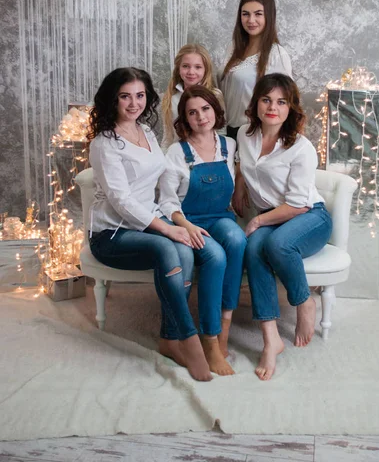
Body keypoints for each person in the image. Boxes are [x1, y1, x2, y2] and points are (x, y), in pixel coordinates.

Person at [87, 67, 212, 382]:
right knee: (165, 247)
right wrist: (167, 228)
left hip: (148, 222)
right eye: (125, 96)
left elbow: (158, 182)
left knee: (184, 252)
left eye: (140, 95)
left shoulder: (147, 131)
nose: (133, 103)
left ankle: (169, 339)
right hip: (112, 233)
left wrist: (177, 215)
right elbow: (122, 201)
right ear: (112, 99)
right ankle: (190, 340)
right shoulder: (104, 143)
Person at [234, 73, 332, 381]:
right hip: (273, 216)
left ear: (291, 108)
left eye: (281, 102)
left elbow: (299, 204)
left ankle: (304, 302)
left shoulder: (300, 148)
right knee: (253, 248)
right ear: (256, 104)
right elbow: (241, 164)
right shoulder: (244, 136)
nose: (272, 107)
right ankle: (270, 338)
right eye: (266, 100)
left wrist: (259, 219)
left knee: (276, 245)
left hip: (309, 217)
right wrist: (239, 187)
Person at [158, 86, 247, 376]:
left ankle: (224, 328)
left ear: (215, 110)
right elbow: (167, 201)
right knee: (216, 257)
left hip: (219, 216)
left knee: (236, 238)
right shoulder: (177, 152)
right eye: (192, 112)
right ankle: (210, 340)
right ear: (184, 118)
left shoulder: (229, 145)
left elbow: (237, 180)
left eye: (206, 109)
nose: (201, 116)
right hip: (187, 219)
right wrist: (185, 225)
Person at [220, 0, 292, 140]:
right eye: (245, 14)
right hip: (225, 131)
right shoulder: (232, 48)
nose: (251, 20)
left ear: (269, 16)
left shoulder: (277, 54)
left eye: (258, 14)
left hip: (254, 133)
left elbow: (285, 102)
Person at [161, 43, 225, 150]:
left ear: (206, 69)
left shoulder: (215, 95)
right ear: (178, 68)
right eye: (185, 66)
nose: (191, 72)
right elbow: (168, 137)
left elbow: (222, 131)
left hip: (208, 155)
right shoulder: (170, 98)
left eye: (198, 67)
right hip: (179, 157)